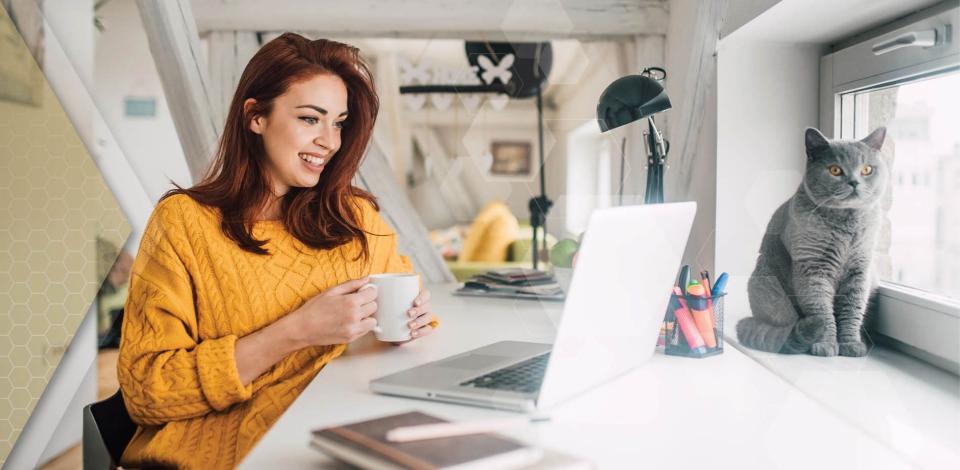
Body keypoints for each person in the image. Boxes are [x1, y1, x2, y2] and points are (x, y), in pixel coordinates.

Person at [117, 33, 436, 469]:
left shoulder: (354, 217)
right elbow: (145, 392)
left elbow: (407, 302)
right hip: (220, 449)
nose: (330, 141)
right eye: (311, 119)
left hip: (336, 427)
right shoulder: (184, 223)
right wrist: (297, 331)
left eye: (339, 123)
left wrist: (416, 316)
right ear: (256, 117)